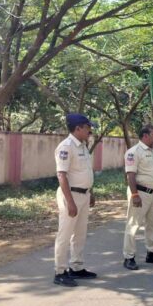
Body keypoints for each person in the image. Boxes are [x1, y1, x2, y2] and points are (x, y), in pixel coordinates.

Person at [53, 113, 98, 287]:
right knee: (65, 234)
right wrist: (70, 202)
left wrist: (90, 192)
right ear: (78, 128)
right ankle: (60, 271)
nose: (90, 130)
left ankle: (76, 267)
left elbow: (84, 172)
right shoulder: (66, 147)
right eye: (87, 127)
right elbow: (61, 175)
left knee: (80, 233)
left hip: (83, 195)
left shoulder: (83, 146)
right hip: (70, 196)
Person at [122, 125, 153, 270]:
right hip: (140, 193)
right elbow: (130, 175)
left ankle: (152, 253)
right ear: (145, 136)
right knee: (134, 224)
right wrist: (135, 194)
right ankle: (129, 257)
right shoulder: (134, 152)